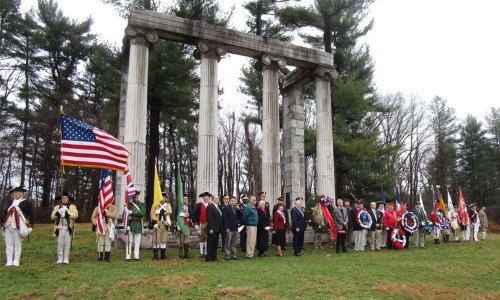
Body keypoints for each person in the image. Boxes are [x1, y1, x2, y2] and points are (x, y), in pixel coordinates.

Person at [1, 186, 34, 267]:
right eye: (14, 193)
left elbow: (31, 215)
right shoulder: (10, 202)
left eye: (16, 192)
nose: (14, 194)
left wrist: (30, 226)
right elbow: (5, 213)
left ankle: (16, 261)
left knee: (17, 244)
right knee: (8, 244)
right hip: (7, 225)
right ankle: (9, 261)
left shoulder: (26, 203)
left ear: (21, 193)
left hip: (18, 226)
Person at [51, 191, 78, 264]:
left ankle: (66, 258)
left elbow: (75, 215)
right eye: (63, 198)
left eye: (66, 198)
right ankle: (60, 258)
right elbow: (52, 217)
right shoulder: (57, 207)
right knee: (60, 244)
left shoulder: (72, 207)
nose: (64, 199)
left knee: (67, 244)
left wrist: (67, 215)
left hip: (68, 228)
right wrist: (58, 214)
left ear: (68, 199)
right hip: (59, 228)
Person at [150, 192, 172, 260]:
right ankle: (155, 255)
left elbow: (170, 211)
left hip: (164, 223)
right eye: (161, 197)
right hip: (158, 224)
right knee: (156, 239)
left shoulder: (167, 205)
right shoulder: (155, 205)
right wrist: (154, 223)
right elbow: (152, 214)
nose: (162, 198)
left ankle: (163, 255)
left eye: (164, 197)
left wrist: (162, 212)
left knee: (163, 239)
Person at [126, 191, 145, 261]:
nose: (136, 197)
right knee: (129, 241)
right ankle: (128, 255)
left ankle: (136, 255)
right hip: (130, 224)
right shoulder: (129, 204)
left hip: (138, 224)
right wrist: (127, 225)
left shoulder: (142, 204)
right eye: (135, 196)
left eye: (137, 195)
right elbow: (125, 215)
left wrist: (132, 212)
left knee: (137, 241)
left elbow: (142, 213)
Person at [193, 192, 210, 257]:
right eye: (205, 197)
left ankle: (206, 252)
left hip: (209, 223)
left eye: (207, 197)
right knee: (201, 237)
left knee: (207, 238)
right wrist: (196, 224)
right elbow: (195, 215)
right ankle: (201, 252)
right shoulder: (198, 205)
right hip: (201, 223)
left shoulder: (210, 205)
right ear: (203, 198)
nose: (206, 198)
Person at [206, 194, 222, 262]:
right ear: (212, 199)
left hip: (217, 228)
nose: (217, 199)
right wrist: (210, 228)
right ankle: (208, 257)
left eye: (218, 198)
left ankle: (214, 257)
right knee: (210, 243)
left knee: (215, 243)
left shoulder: (217, 207)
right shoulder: (210, 207)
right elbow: (209, 218)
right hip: (212, 229)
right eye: (216, 198)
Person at [222, 196, 239, 260]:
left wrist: (238, 209)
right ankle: (227, 255)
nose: (233, 202)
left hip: (235, 228)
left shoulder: (235, 208)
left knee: (234, 243)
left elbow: (238, 217)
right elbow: (225, 218)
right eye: (232, 201)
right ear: (229, 201)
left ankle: (233, 254)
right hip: (229, 228)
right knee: (228, 242)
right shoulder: (226, 208)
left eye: (234, 201)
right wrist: (227, 227)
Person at [177, 193, 193, 259]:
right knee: (181, 240)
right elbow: (176, 214)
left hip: (187, 224)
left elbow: (192, 213)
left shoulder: (189, 206)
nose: (185, 200)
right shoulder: (179, 206)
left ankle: (186, 254)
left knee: (187, 239)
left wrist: (188, 213)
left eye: (186, 199)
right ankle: (181, 254)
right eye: (184, 198)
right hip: (181, 224)